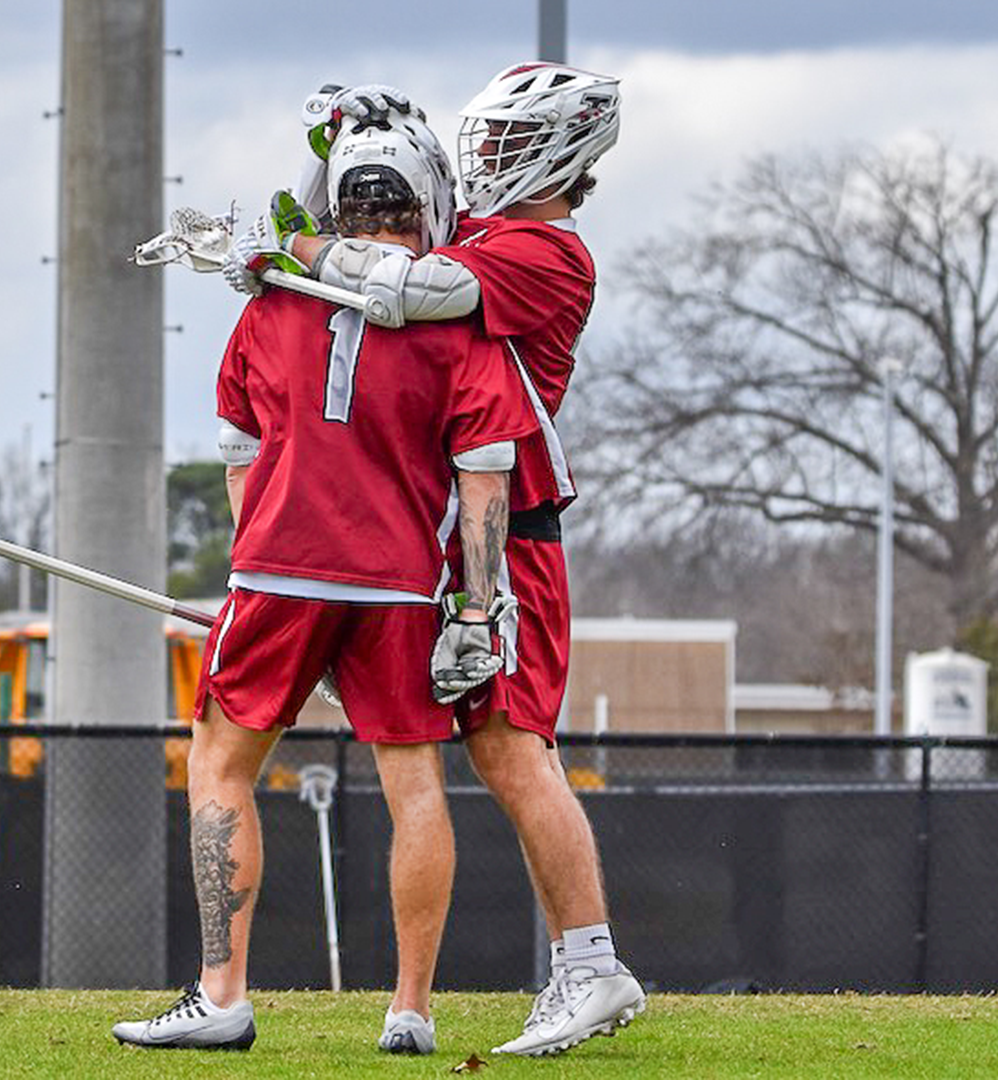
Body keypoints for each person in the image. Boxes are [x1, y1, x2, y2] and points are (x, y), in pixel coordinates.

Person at [225, 64, 640, 1057]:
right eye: (482, 139)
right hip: (439, 545)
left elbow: (411, 287)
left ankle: (591, 967)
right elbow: (392, 231)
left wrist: (294, 251)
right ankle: (576, 967)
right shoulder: (492, 231)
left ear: (561, 153)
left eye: (504, 143)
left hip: (514, 540)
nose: (482, 159)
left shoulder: (545, 252)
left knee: (510, 746)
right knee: (495, 752)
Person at [113, 117, 536, 1055]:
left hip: (276, 572)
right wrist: (473, 606)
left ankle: (222, 994)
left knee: (221, 767)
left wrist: (250, 568)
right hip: (399, 587)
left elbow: (239, 456)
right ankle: (411, 1010)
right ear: (424, 204)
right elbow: (484, 484)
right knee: (415, 786)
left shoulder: (271, 305)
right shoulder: (461, 328)